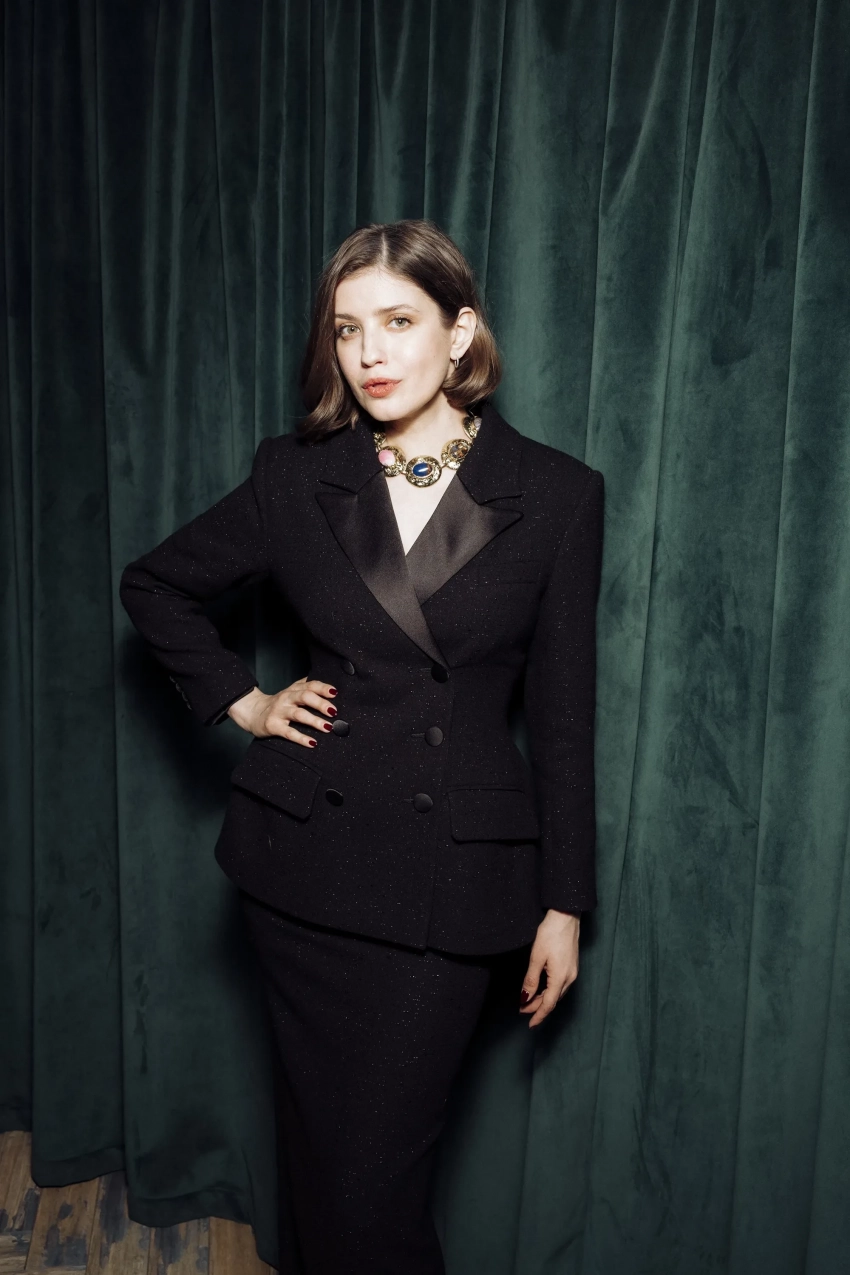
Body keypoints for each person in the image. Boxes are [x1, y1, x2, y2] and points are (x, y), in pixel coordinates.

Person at [119, 218, 605, 1275]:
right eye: (347, 330)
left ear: (459, 331)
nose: (369, 353)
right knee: (323, 1163)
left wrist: (566, 902)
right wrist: (244, 703)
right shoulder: (297, 476)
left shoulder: (558, 494)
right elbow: (155, 585)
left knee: (368, 1182)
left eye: (397, 322)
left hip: (448, 891)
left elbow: (566, 716)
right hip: (304, 872)